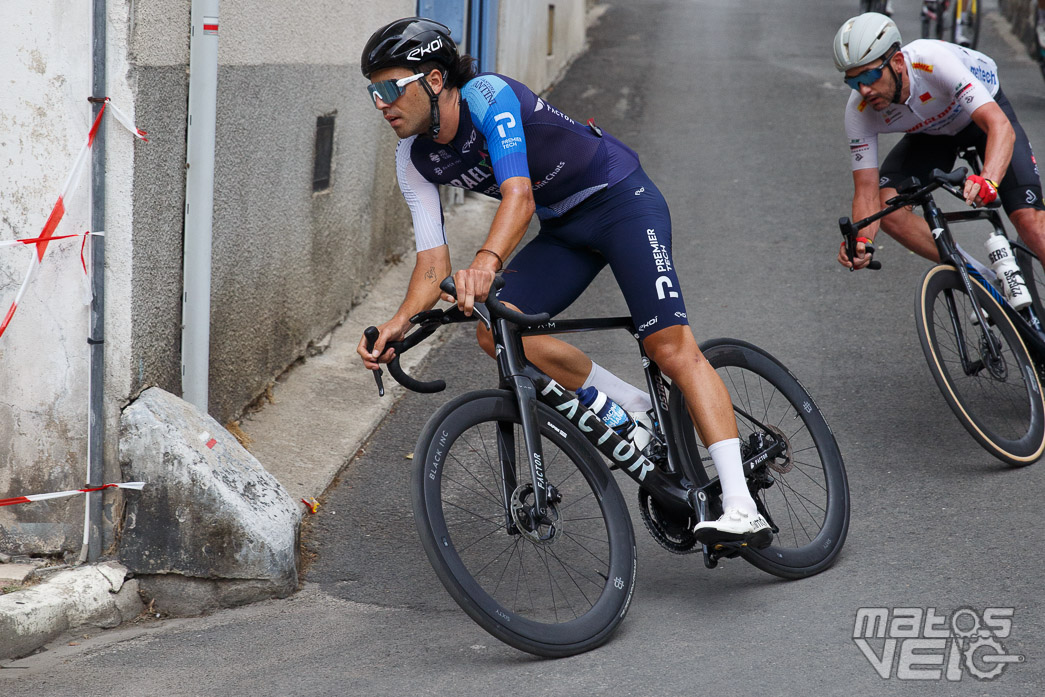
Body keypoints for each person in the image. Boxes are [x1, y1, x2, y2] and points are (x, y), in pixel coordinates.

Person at [356, 17, 771, 546]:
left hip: (622, 201)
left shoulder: (487, 96)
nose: (381, 103)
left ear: (435, 80)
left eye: (391, 88)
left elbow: (519, 197)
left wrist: (485, 262)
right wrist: (398, 324)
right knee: (498, 332)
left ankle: (740, 504)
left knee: (669, 347)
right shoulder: (413, 157)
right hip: (566, 229)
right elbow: (432, 261)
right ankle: (631, 405)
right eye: (373, 92)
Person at [833, 12, 1045, 272]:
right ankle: (978, 278)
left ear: (898, 62)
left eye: (869, 76)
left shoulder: (932, 61)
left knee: (1030, 223)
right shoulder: (859, 110)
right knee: (888, 208)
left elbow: (999, 126)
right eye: (853, 81)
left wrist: (989, 180)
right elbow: (866, 192)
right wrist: (862, 241)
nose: (863, 89)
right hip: (932, 134)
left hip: (981, 120)